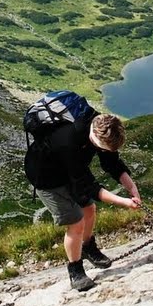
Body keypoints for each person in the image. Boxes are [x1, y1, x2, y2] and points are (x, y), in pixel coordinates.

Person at [24, 110, 141, 291]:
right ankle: (76, 271)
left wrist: (132, 189)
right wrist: (124, 202)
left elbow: (112, 163)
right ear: (94, 138)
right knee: (76, 222)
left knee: (89, 209)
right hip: (47, 178)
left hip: (70, 171)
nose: (103, 152)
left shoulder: (102, 129)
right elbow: (88, 186)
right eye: (102, 148)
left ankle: (87, 247)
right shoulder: (69, 142)